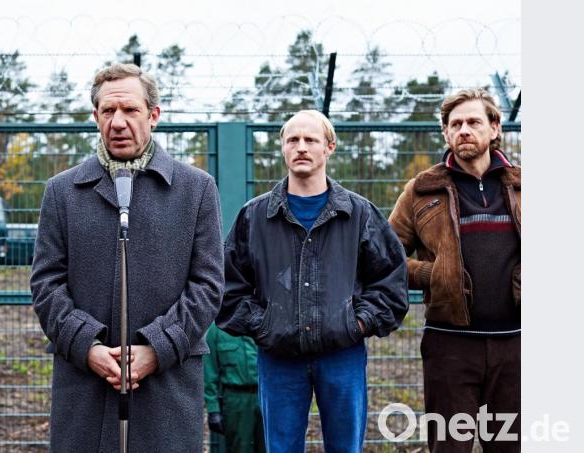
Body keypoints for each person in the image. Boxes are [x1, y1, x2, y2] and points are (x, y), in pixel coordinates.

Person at [30, 63, 224, 453]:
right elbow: (46, 284)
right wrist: (87, 346)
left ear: (153, 115)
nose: (118, 122)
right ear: (95, 117)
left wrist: (158, 348)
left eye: (130, 110)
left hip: (167, 385)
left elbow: (207, 285)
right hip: (85, 385)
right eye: (107, 111)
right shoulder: (62, 191)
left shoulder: (196, 189)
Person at [216, 110, 408, 453]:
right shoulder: (255, 216)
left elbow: (391, 281)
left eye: (311, 140)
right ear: (283, 149)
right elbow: (228, 287)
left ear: (329, 147)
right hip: (278, 358)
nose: (301, 147)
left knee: (346, 447)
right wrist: (265, 325)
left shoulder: (359, 213)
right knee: (282, 447)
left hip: (343, 355)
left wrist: (357, 322)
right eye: (293, 140)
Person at [388, 88, 520, 452]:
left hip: (517, 345)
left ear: (494, 128)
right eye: (455, 124)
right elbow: (386, 257)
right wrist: (431, 274)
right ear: (446, 133)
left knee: (510, 446)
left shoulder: (525, 186)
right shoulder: (421, 190)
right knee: (449, 447)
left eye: (474, 122)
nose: (464, 130)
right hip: (449, 347)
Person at [203, 323, 265, 453]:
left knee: (270, 447)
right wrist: (213, 410)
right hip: (236, 400)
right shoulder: (217, 329)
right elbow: (209, 372)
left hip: (266, 397)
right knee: (239, 448)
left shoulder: (261, 320)